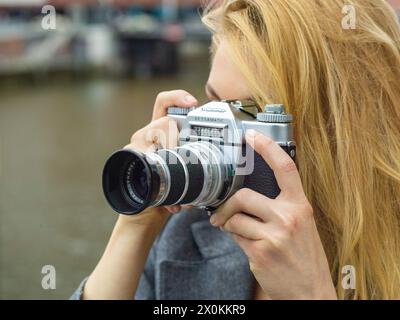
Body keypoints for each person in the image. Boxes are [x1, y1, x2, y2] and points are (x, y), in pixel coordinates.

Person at [71, 0, 400, 300]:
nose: (220, 132)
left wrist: (309, 294)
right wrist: (135, 226)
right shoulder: (187, 231)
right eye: (213, 104)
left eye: (249, 114)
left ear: (337, 133)